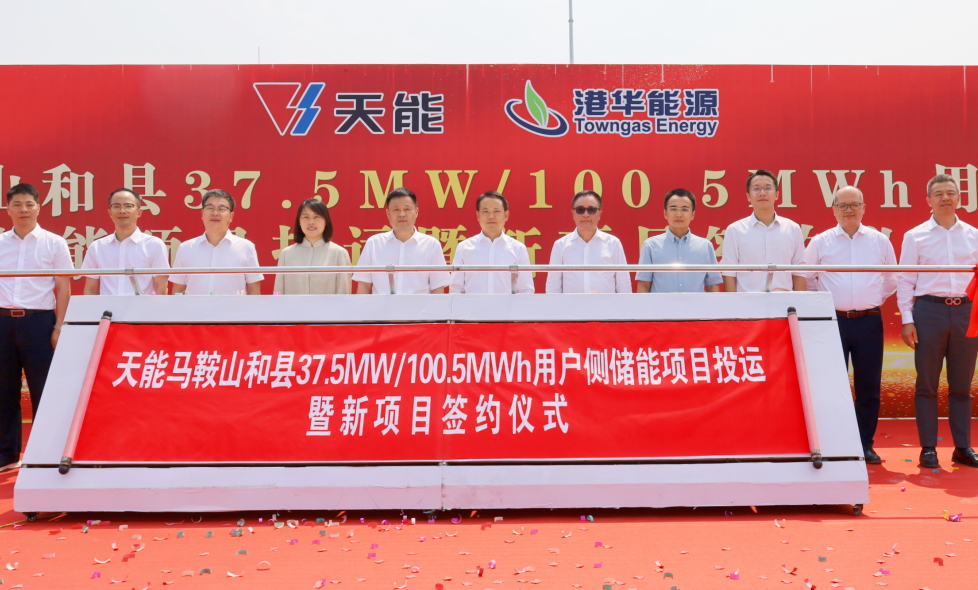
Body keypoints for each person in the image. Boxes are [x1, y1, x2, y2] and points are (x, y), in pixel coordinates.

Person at [804, 186, 897, 465]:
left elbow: (891, 279)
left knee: (868, 386)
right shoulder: (820, 242)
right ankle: (833, 443)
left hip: (869, 321)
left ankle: (864, 443)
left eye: (854, 204)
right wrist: (825, 303)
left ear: (864, 207)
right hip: (831, 321)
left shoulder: (880, 241)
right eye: (842, 205)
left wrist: (871, 299)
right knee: (831, 386)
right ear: (833, 209)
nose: (849, 210)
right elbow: (807, 279)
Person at [897, 174, 978, 469]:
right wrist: (908, 320)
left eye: (951, 193)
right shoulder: (915, 236)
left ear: (959, 198)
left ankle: (962, 447)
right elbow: (905, 280)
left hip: (966, 313)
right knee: (927, 384)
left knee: (962, 386)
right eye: (939, 193)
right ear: (928, 200)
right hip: (928, 312)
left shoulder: (974, 235)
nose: (945, 198)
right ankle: (928, 448)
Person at [0, 184, 72, 472]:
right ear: (8, 209)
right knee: (4, 389)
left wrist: (59, 325)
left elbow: (63, 287)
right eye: (17, 204)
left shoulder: (54, 243)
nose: (24, 210)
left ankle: (47, 454)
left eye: (29, 204)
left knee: (44, 388)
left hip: (39, 322)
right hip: (3, 321)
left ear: (39, 207)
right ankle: (7, 455)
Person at [721, 170, 806, 292]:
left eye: (768, 188)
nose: (762, 193)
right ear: (748, 196)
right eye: (756, 189)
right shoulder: (735, 230)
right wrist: (734, 303)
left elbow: (799, 272)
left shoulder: (793, 229)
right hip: (748, 301)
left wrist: (800, 302)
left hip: (784, 300)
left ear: (777, 195)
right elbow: (729, 273)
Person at [353, 188, 450, 294]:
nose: (402, 214)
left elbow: (437, 289)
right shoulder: (374, 243)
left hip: (419, 305)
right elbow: (364, 286)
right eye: (396, 210)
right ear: (388, 213)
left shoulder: (431, 245)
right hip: (381, 305)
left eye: (407, 209)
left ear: (416, 212)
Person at [170, 189, 263, 295]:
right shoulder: (186, 248)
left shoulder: (246, 247)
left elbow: (253, 290)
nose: (215, 213)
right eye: (210, 208)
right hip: (195, 306)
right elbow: (178, 290)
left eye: (221, 209)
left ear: (231, 216)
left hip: (233, 306)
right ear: (202, 213)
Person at [82, 188, 170, 295]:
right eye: (116, 206)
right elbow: (91, 289)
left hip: (142, 306)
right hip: (107, 306)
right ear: (110, 213)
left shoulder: (154, 245)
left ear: (139, 212)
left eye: (128, 206)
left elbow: (161, 286)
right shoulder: (97, 247)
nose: (122, 211)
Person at [636, 188, 721, 293]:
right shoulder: (651, 245)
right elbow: (644, 284)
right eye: (673, 209)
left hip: (696, 304)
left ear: (693, 214)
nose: (679, 214)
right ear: (665, 213)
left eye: (685, 209)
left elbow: (713, 285)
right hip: (661, 304)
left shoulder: (705, 246)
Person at [545, 190, 631, 293]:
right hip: (571, 304)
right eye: (580, 210)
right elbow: (553, 286)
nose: (586, 215)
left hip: (606, 304)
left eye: (591, 210)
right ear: (573, 214)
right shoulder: (560, 245)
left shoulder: (613, 243)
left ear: (599, 213)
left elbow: (623, 284)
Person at [450, 191, 533, 294]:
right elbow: (456, 289)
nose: (491, 216)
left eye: (496, 211)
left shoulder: (518, 249)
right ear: (478, 215)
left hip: (508, 305)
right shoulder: (464, 248)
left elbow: (526, 290)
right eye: (485, 211)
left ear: (506, 215)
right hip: (473, 305)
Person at [274, 198, 352, 295]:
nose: (311, 222)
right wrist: (277, 302)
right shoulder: (286, 253)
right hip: (293, 305)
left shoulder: (339, 253)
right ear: (299, 222)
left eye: (316, 216)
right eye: (305, 217)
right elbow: (278, 291)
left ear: (326, 221)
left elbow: (344, 292)